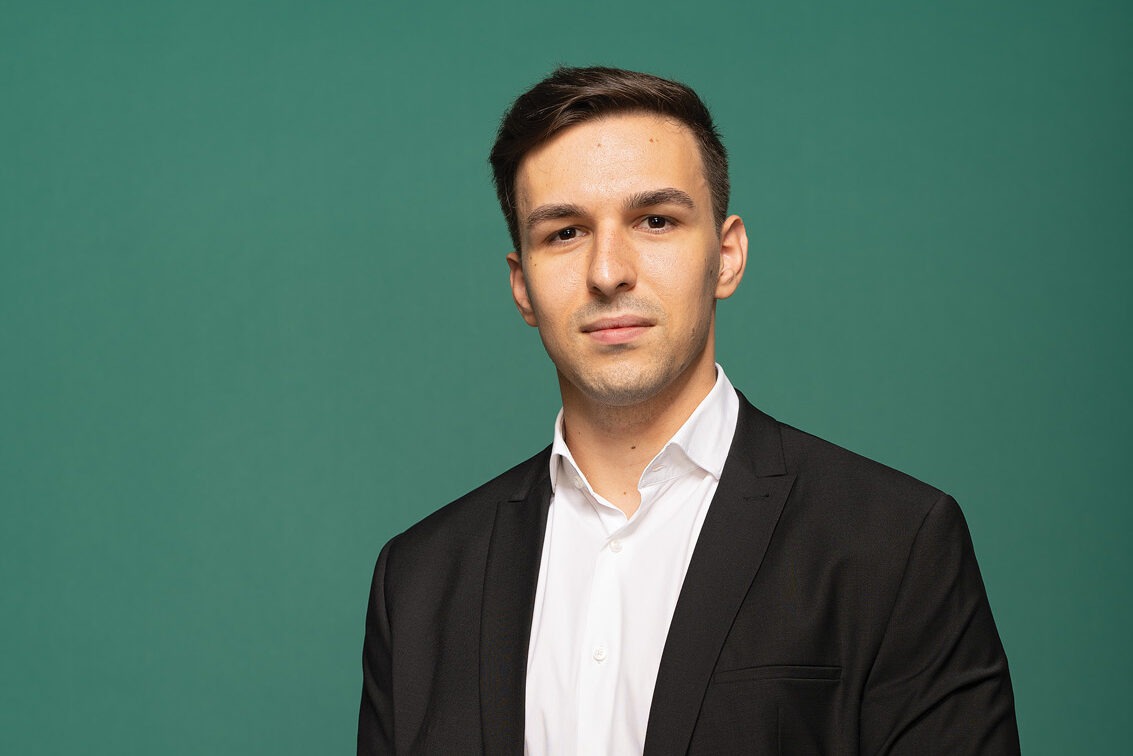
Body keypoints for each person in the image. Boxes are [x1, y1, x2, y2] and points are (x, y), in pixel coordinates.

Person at [358, 66, 1019, 755]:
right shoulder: (418, 582)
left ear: (726, 256)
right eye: (565, 232)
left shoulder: (893, 543)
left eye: (655, 221)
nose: (608, 272)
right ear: (522, 285)